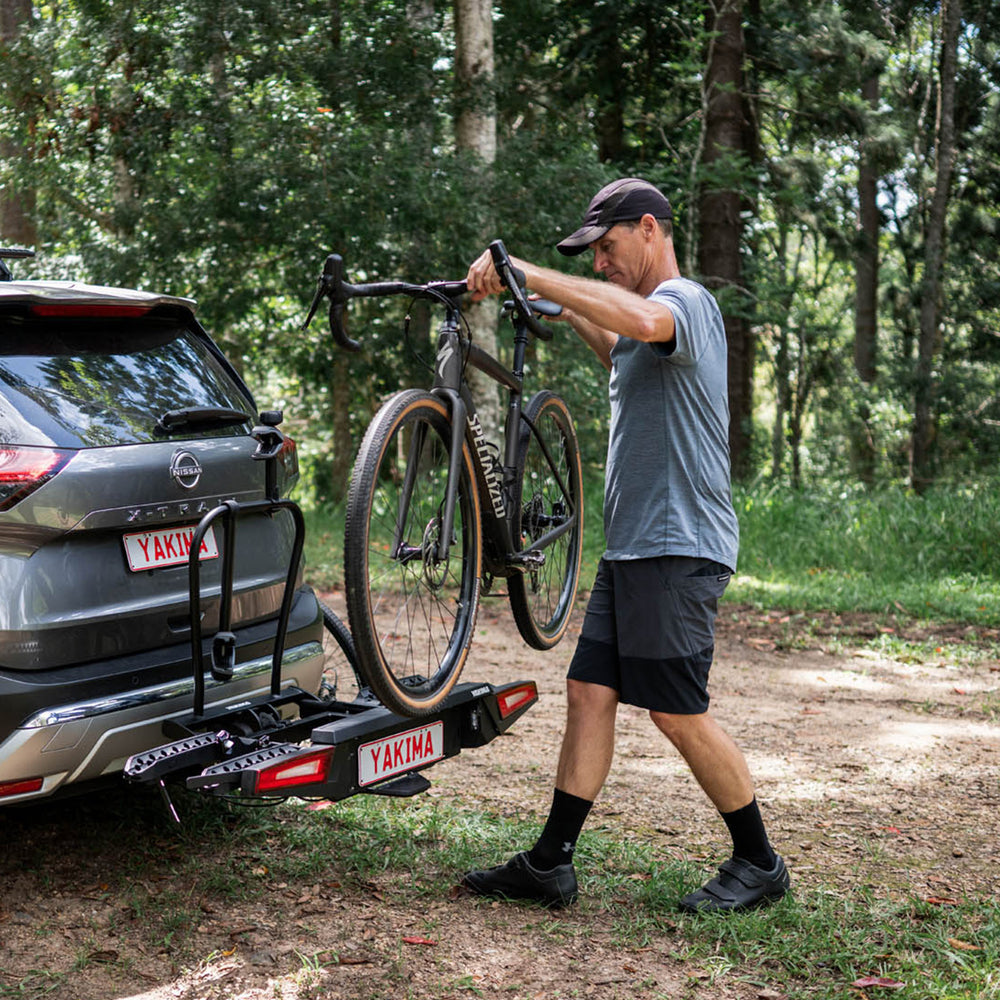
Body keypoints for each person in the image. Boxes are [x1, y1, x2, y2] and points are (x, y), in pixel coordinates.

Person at [460, 177, 789, 913]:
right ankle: (551, 862)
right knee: (589, 693)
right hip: (636, 548)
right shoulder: (647, 330)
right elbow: (622, 346)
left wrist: (535, 273)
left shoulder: (686, 304)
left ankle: (759, 861)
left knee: (677, 710)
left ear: (649, 229)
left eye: (607, 249)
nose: (601, 263)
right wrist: (558, 302)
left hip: (679, 546)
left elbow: (641, 322)